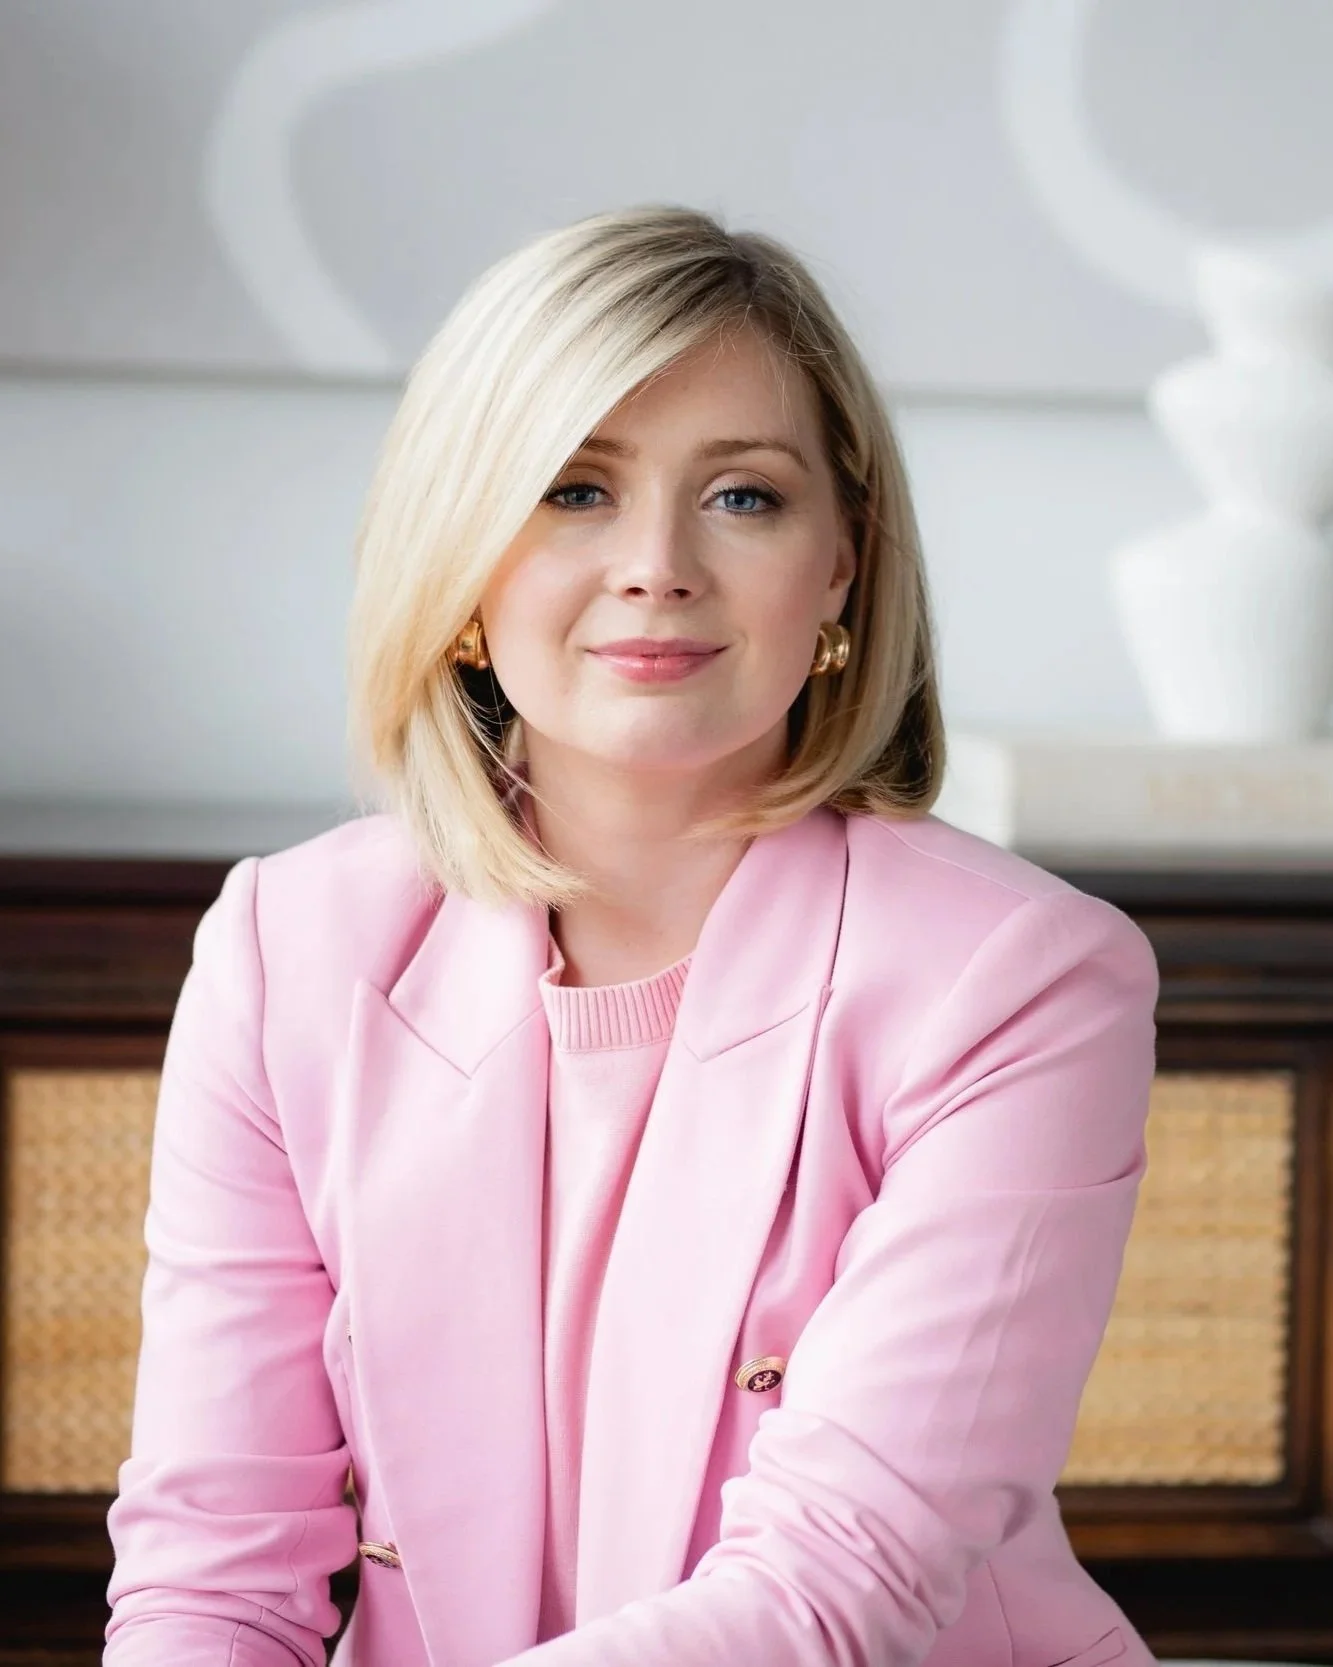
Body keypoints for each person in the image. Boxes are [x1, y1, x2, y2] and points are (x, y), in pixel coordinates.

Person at [103, 205, 1160, 1667]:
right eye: (573, 490)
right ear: (462, 569)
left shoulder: (1022, 980)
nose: (657, 563)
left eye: (743, 497)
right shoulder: (288, 951)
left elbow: (832, 1590)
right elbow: (216, 1572)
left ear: (842, 565)